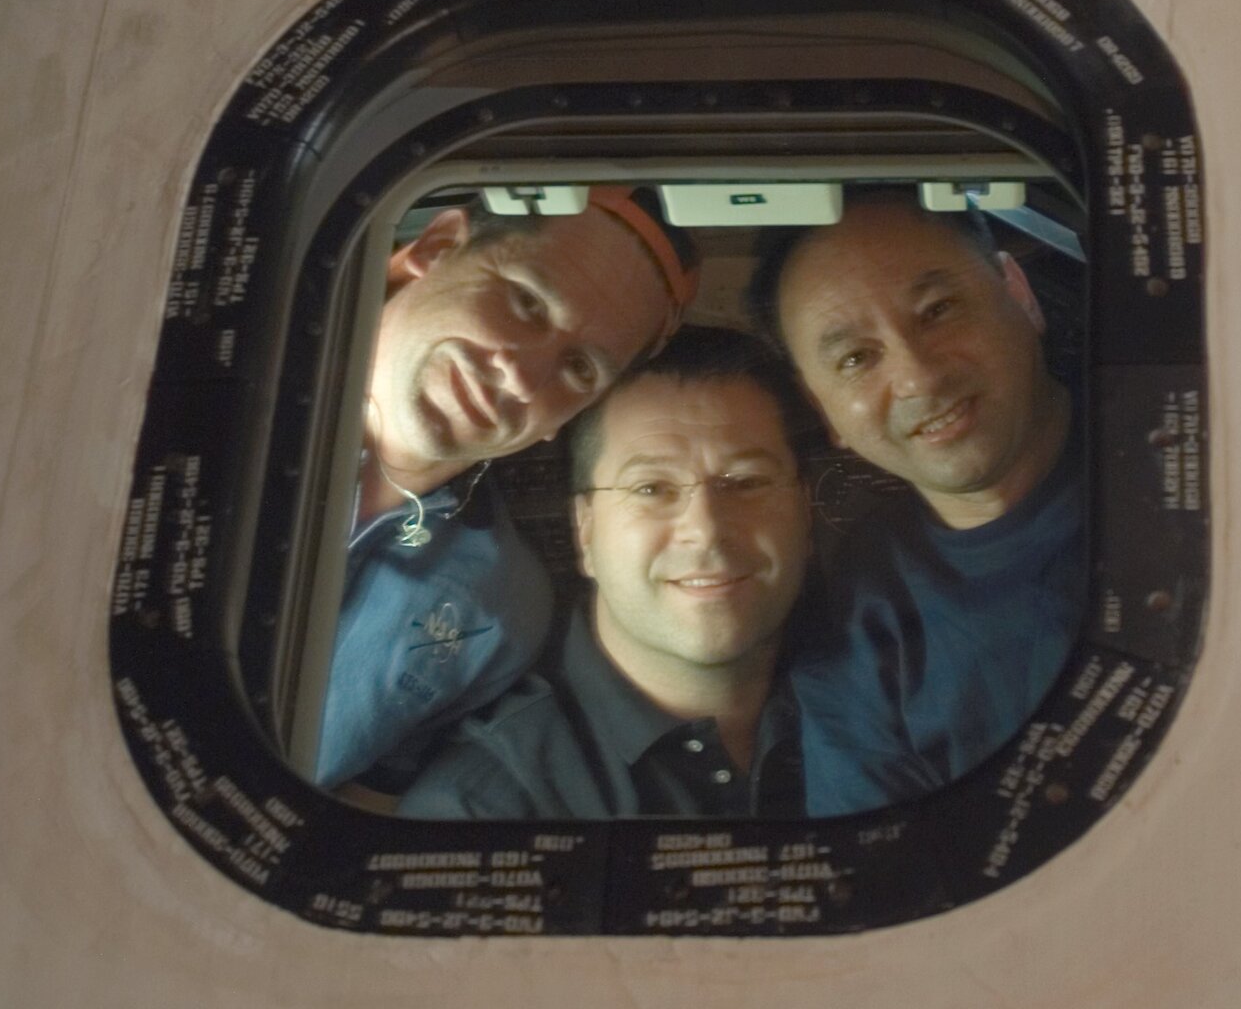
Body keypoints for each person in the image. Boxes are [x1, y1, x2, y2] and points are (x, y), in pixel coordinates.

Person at [310, 187, 698, 792]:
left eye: (578, 369)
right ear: (433, 251)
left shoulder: (502, 609)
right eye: (525, 302)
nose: (520, 375)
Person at [751, 190, 1082, 815]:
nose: (919, 377)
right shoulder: (859, 624)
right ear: (824, 411)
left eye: (938, 311)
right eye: (856, 358)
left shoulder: (1194, 454)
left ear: (1019, 293)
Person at [399, 327, 814, 821]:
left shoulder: (891, 692)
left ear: (806, 510)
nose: (706, 531)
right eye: (651, 488)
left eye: (746, 482)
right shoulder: (486, 809)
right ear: (585, 530)